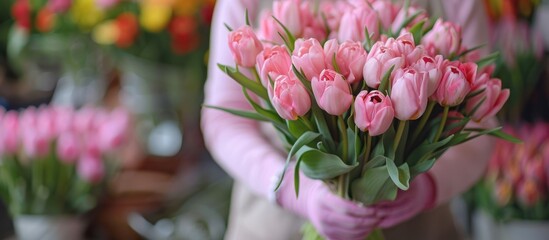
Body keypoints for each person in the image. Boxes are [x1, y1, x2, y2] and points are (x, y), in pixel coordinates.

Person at [201, 0, 495, 239]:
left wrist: (428, 185)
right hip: (274, 224)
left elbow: (480, 120)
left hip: (417, 228)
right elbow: (224, 119)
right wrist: (295, 193)